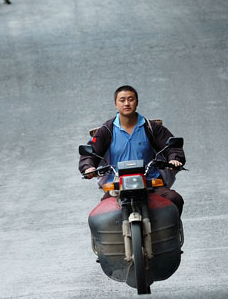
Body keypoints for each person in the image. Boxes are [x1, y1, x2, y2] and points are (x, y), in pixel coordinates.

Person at [78, 85, 186, 213]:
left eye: (131, 99)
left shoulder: (151, 127)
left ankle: (172, 232)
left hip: (150, 182)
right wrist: (88, 167)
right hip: (117, 186)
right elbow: (90, 152)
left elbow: (171, 146)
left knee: (175, 199)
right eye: (122, 100)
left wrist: (174, 159)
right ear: (115, 104)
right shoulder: (106, 130)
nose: (127, 103)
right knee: (100, 215)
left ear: (137, 102)